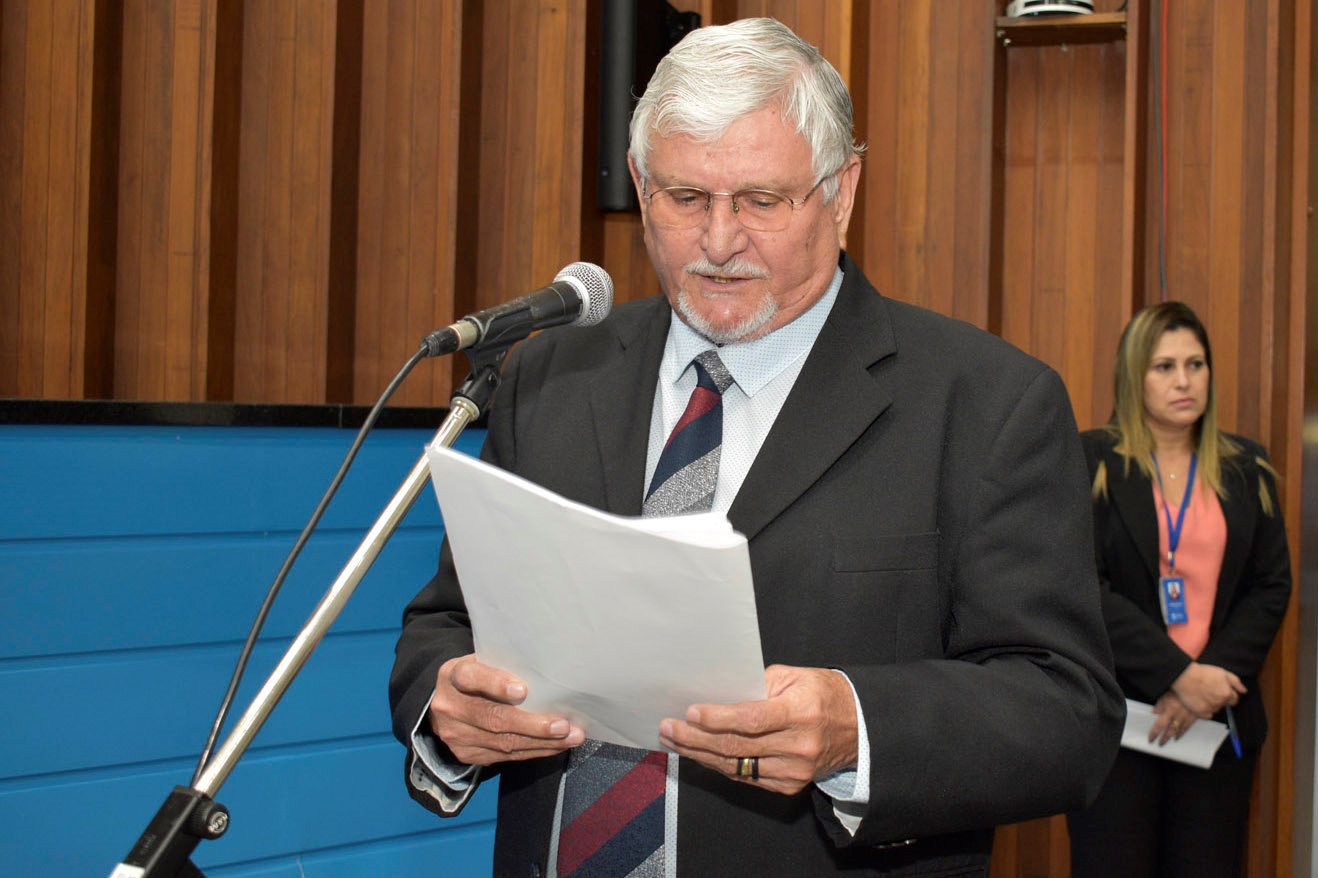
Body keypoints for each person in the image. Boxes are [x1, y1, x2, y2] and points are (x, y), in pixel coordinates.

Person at [391, 17, 1123, 877]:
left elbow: (1067, 710)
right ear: (640, 184)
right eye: (685, 197)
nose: (718, 242)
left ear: (841, 192)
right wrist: (448, 708)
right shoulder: (551, 376)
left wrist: (856, 725)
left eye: (761, 201)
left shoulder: (986, 404)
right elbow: (452, 619)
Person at [1066, 302, 1292, 878]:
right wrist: (1177, 675)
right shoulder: (1090, 461)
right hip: (1120, 723)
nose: (1184, 380)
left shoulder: (1247, 467)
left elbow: (1270, 585)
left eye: (1196, 364)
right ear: (1133, 376)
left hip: (1216, 722)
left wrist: (1205, 684)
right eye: (1164, 366)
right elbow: (1083, 585)